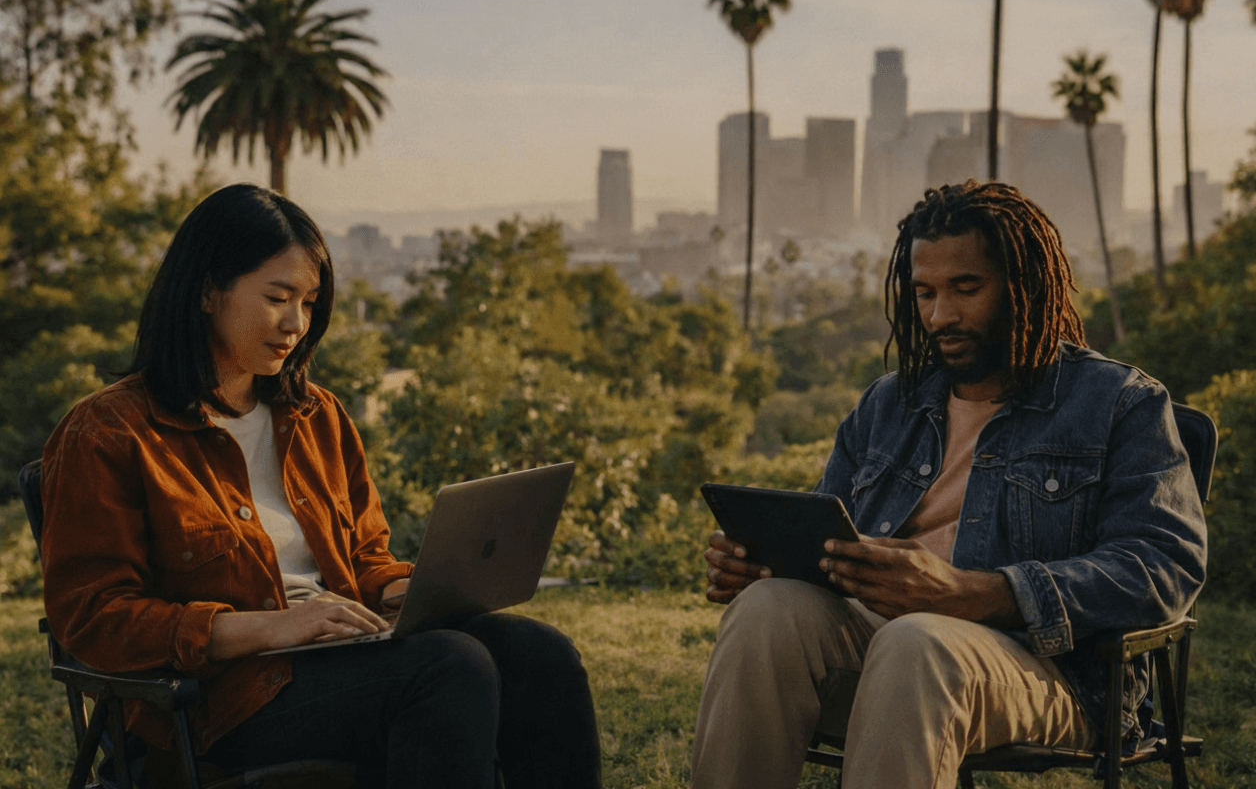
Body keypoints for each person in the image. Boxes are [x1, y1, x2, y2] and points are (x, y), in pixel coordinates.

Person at [39, 184, 602, 789]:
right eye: (278, 298)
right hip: (220, 701)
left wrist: (402, 592)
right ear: (207, 291)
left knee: (543, 657)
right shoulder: (111, 431)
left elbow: (363, 556)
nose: (296, 324)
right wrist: (272, 626)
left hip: (338, 659)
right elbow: (91, 618)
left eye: (309, 302)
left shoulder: (315, 415)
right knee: (451, 667)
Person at [690, 180, 1207, 789]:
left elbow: (1163, 565)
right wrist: (766, 562)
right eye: (925, 293)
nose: (940, 316)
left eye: (966, 288)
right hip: (882, 653)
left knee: (918, 641)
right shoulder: (889, 405)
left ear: (1025, 286)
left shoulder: (1118, 404)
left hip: (1050, 675)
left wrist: (980, 593)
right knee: (764, 611)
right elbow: (829, 529)